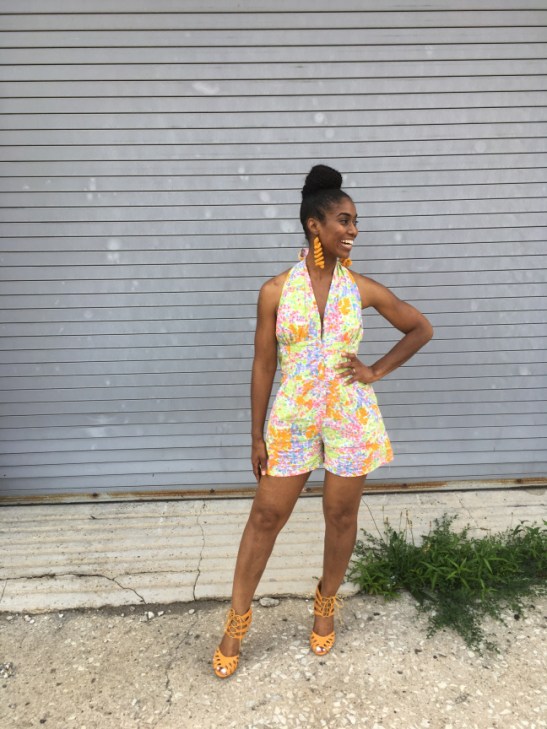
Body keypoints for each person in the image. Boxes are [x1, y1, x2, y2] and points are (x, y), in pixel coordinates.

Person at [212, 164, 433, 678]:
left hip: (348, 417)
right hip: (292, 418)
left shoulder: (361, 289)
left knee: (340, 515)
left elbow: (420, 327)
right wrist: (256, 435)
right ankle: (236, 621)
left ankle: (326, 602)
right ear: (315, 224)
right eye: (344, 220)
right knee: (265, 517)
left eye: (355, 222)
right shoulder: (275, 291)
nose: (353, 230)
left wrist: (374, 371)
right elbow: (263, 364)